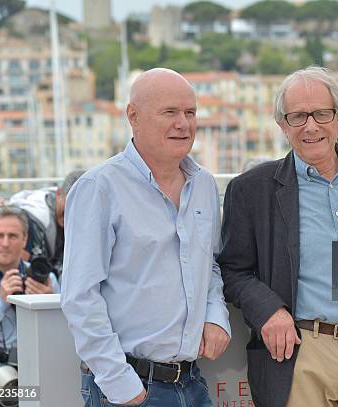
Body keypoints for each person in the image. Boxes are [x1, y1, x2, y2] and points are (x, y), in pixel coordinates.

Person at [218, 66, 338, 407]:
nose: (311, 126)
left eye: (322, 114)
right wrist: (270, 311)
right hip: (298, 354)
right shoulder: (251, 189)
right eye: (297, 116)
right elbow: (233, 270)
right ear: (281, 124)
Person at [61, 68, 231, 407]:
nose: (183, 123)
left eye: (190, 112)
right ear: (133, 117)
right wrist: (123, 387)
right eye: (169, 112)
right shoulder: (99, 188)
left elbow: (209, 265)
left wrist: (216, 316)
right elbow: (80, 296)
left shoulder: (205, 186)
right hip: (130, 389)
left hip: (193, 383)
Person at [0, 206, 59, 406]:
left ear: (25, 239)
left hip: (37, 369)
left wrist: (51, 306)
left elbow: (67, 333)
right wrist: (0, 302)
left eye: (12, 236)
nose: (5, 243)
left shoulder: (45, 278)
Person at [9, 169, 85, 278]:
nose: (72, 216)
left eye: (81, 210)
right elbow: (19, 270)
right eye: (69, 207)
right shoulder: (30, 220)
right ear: (58, 193)